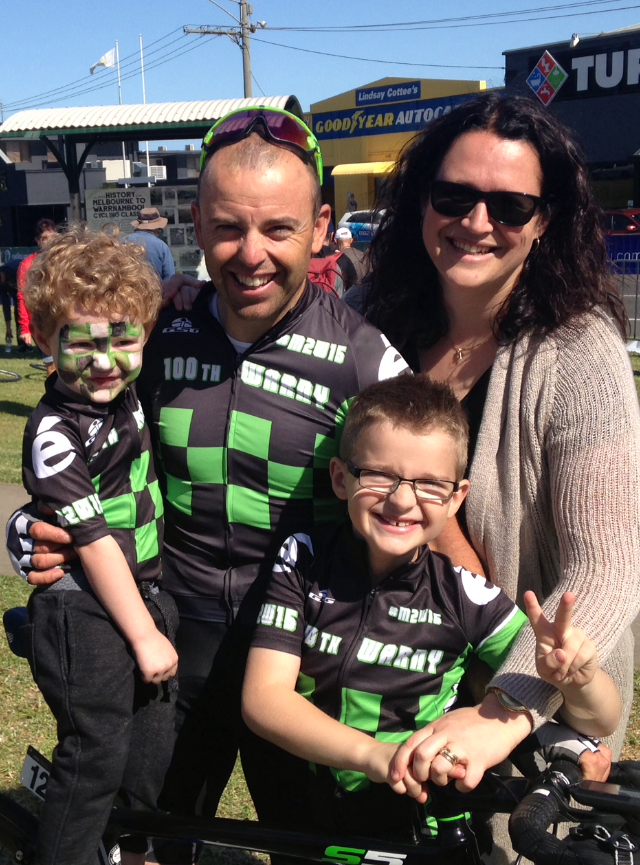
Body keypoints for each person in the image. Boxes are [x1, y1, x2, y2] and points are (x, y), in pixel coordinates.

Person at [7, 107, 410, 862]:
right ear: (196, 220)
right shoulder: (157, 327)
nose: (250, 253)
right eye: (228, 227)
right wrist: (27, 528)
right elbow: (77, 438)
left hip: (299, 652)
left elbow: (428, 505)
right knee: (152, 833)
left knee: (310, 842)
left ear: (321, 226)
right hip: (170, 631)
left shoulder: (366, 357)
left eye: (279, 230)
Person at [352, 92, 640, 795]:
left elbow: (608, 569)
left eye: (510, 207)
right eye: (453, 196)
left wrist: (507, 706)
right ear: (421, 201)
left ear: (544, 223)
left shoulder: (577, 353)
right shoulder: (368, 322)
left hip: (520, 712)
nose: (477, 223)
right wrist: (190, 306)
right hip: (375, 681)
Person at [243, 374, 621, 844]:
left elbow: (599, 721)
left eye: (429, 484)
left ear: (457, 497)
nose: (401, 499)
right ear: (341, 478)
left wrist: (580, 679)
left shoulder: (466, 596)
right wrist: (374, 755)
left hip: (417, 822)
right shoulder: (302, 559)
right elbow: (264, 698)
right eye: (378, 474)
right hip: (302, 812)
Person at [19, 226, 179, 865]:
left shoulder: (120, 392)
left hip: (144, 590)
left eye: (125, 339)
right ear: (44, 342)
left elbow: (152, 314)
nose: (107, 360)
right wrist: (143, 634)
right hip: (85, 606)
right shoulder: (56, 430)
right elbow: (91, 542)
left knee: (150, 748)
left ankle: (129, 850)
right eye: (82, 343)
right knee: (95, 753)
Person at [16, 218, 57, 372]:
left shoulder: (63, 259)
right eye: (46, 238)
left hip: (63, 318)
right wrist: (25, 328)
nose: (50, 241)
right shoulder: (28, 265)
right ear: (38, 240)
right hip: (42, 322)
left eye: (53, 237)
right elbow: (22, 296)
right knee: (52, 366)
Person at [127, 207, 176, 280]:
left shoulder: (124, 241)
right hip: (155, 290)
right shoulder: (161, 246)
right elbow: (170, 278)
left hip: (126, 290)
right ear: (156, 227)